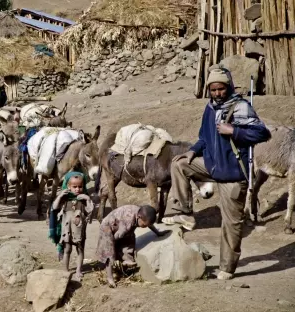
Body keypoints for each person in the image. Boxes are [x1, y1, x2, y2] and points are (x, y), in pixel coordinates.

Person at [163, 67, 271, 280]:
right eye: (213, 89)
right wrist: (192, 152)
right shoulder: (210, 108)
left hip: (233, 175)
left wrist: (234, 131)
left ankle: (227, 268)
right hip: (212, 167)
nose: (217, 93)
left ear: (228, 86)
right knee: (179, 164)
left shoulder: (240, 107)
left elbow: (263, 132)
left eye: (221, 89)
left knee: (231, 224)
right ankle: (184, 211)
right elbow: (203, 137)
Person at [96, 204, 166, 288]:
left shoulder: (142, 213)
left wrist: (158, 233)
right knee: (109, 253)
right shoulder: (128, 221)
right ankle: (110, 278)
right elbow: (115, 238)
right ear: (139, 217)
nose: (144, 227)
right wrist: (113, 246)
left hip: (122, 227)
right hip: (108, 228)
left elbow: (149, 223)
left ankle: (124, 265)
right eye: (144, 225)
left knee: (130, 240)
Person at [50, 171, 94, 281]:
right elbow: (54, 208)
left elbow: (90, 211)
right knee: (67, 250)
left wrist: (88, 199)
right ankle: (65, 270)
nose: (77, 189)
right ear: (68, 186)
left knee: (80, 250)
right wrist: (60, 196)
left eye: (80, 186)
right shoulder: (65, 199)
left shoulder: (83, 199)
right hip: (67, 231)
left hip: (80, 231)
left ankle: (79, 270)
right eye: (74, 187)